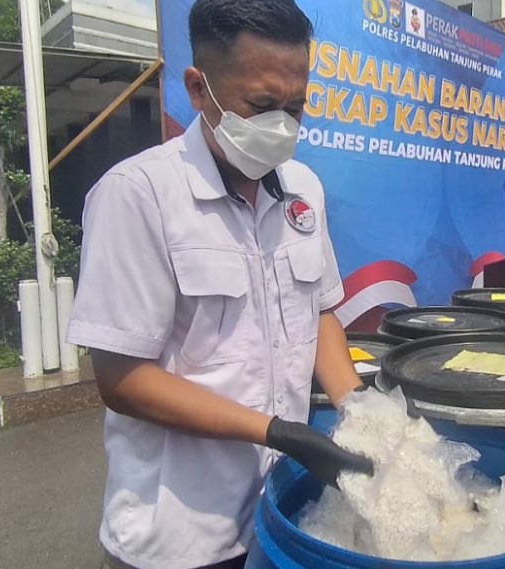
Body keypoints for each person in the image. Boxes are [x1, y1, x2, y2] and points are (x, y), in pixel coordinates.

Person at [66, 1, 373, 568]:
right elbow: (123, 380)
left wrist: (356, 404)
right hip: (181, 537)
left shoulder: (303, 188)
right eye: (260, 106)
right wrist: (277, 432)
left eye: (295, 107)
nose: (281, 125)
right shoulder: (138, 195)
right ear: (199, 88)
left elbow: (322, 311)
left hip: (281, 516)